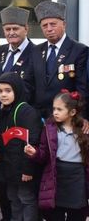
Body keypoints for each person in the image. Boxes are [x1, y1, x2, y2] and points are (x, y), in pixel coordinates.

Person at [24, 91, 89, 221]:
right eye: (54, 108)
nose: (55, 112)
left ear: (72, 112)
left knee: (77, 214)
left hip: (77, 178)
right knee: (54, 213)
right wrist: (35, 153)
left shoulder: (84, 130)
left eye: (59, 109)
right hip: (55, 176)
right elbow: (44, 155)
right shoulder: (49, 128)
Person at [25, 1, 88, 119]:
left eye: (53, 24)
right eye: (44, 25)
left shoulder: (79, 50)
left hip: (67, 118)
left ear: (64, 24)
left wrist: (82, 117)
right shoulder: (36, 51)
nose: (49, 29)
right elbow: (28, 84)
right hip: (39, 118)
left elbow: (82, 89)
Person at [0, 72, 42, 221]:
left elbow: (31, 142)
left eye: (8, 91)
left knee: (26, 199)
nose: (3, 95)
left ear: (17, 90)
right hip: (10, 168)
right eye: (0, 91)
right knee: (13, 198)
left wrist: (27, 169)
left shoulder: (26, 111)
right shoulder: (5, 111)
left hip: (23, 170)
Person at [0, 7, 34, 92]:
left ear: (26, 29)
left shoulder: (36, 52)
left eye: (15, 29)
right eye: (7, 29)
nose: (11, 33)